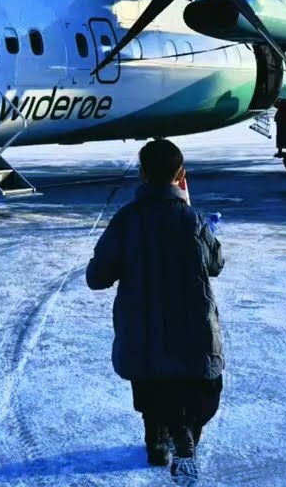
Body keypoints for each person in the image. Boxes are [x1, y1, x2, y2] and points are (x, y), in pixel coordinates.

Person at [86, 138, 225, 485]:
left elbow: (97, 277)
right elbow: (217, 263)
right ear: (181, 175)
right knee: (192, 385)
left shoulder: (127, 220)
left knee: (151, 383)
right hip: (192, 331)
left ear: (142, 174)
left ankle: (157, 442)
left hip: (142, 332)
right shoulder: (192, 219)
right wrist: (195, 216)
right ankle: (185, 435)